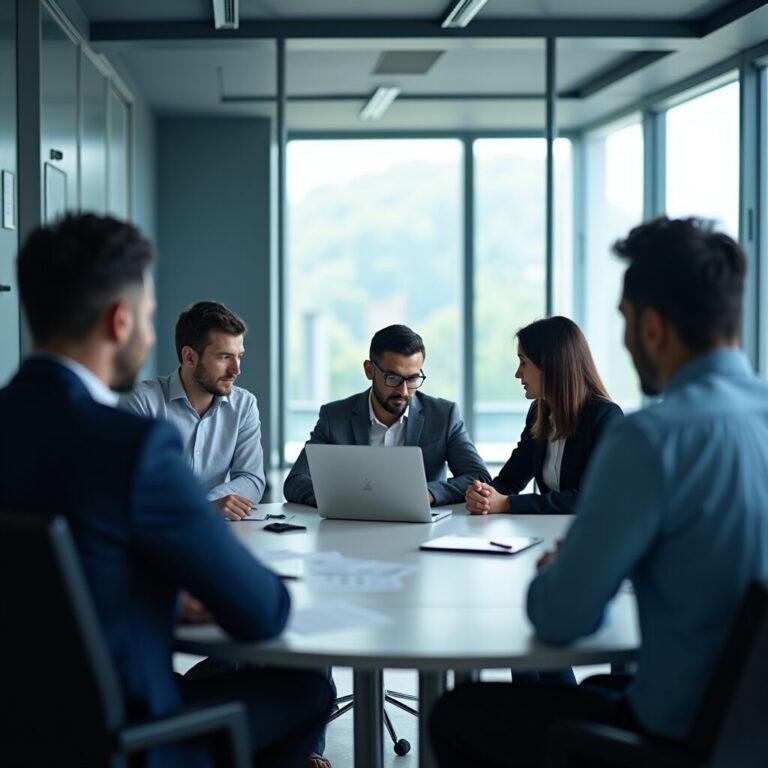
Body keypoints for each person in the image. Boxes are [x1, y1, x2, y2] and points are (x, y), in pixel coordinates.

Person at [430, 216, 768, 768]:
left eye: (625, 322)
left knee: (458, 713)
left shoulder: (650, 439)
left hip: (675, 736)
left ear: (653, 327)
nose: (626, 340)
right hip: (748, 732)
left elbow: (560, 619)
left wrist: (559, 572)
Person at [0, 214, 332, 768]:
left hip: (22, 728)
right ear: (120, 321)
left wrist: (158, 592)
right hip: (128, 735)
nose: (152, 337)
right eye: (150, 320)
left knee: (222, 671)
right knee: (307, 689)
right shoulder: (132, 444)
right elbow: (263, 612)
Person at [284, 324, 490, 507]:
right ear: (369, 370)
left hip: (422, 534)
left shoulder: (444, 416)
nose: (403, 390)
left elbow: (479, 477)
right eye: (393, 377)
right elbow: (295, 482)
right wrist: (343, 497)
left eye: (412, 379)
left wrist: (427, 494)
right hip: (350, 533)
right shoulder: (334, 417)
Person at [466, 316, 622, 516]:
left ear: (550, 366)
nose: (517, 374)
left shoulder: (605, 417)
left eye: (523, 363)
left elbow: (591, 497)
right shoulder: (538, 413)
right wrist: (484, 495)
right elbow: (509, 480)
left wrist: (508, 504)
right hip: (548, 531)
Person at [123, 300, 265, 520]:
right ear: (189, 356)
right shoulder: (142, 402)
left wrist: (207, 505)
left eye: (239, 356)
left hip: (213, 532)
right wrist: (204, 507)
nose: (236, 370)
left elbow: (251, 478)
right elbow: (131, 487)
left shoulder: (244, 406)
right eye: (224, 357)